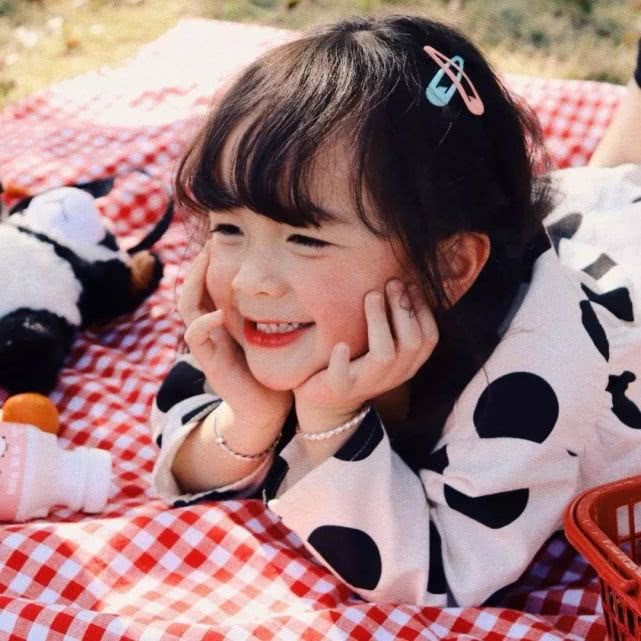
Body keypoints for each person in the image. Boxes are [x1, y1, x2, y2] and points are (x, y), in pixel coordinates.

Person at [149, 14, 641, 607]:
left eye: (305, 239)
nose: (251, 279)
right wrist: (250, 417)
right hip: (578, 221)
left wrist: (330, 420)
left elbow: (440, 574)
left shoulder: (535, 366)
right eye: (229, 228)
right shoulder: (274, 310)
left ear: (450, 267)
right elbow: (182, 454)